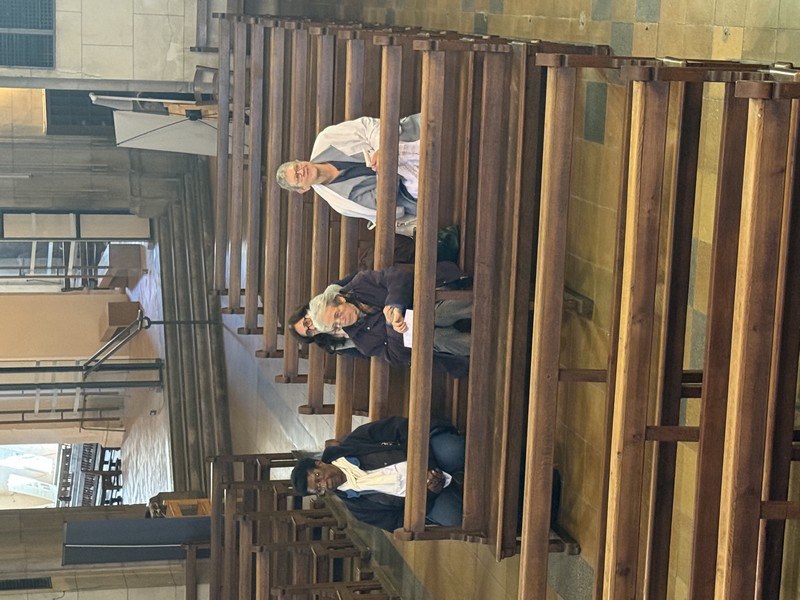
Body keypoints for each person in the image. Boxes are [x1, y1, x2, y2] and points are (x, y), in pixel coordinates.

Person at [291, 416, 464, 532]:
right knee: (455, 519)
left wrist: (427, 465)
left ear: (319, 463)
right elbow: (398, 522)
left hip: (427, 454)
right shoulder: (358, 508)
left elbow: (399, 428)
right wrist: (429, 494)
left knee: (456, 451)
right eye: (319, 488)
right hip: (430, 497)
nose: (325, 484)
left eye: (318, 477)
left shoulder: (355, 443)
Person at [296, 263, 472, 377]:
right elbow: (395, 357)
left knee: (439, 314)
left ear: (340, 299)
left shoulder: (361, 283)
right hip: (425, 337)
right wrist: (391, 327)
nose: (341, 321)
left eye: (337, 315)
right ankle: (481, 344)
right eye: (335, 325)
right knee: (436, 338)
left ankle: (482, 307)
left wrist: (396, 306)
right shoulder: (361, 341)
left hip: (428, 297)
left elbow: (398, 276)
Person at [276, 114, 422, 233]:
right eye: (298, 177)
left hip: (407, 139)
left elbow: (368, 127)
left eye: (297, 167)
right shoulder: (339, 202)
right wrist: (384, 170)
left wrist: (381, 148)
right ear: (303, 189)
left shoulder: (326, 139)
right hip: (410, 190)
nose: (302, 171)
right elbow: (382, 204)